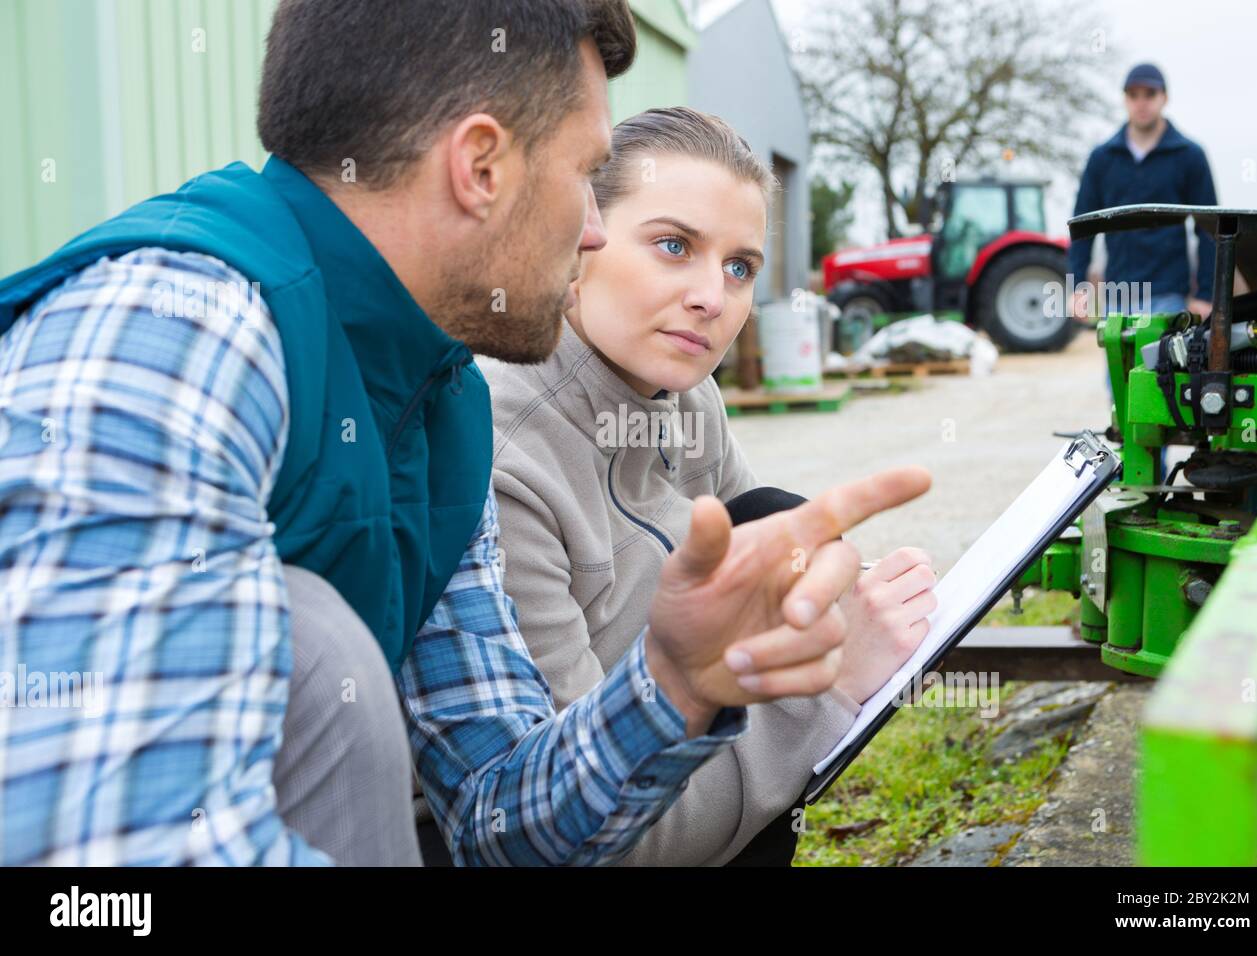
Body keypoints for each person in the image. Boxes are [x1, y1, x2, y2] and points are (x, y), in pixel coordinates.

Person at [0, 0, 931, 866]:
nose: (596, 232)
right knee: (324, 649)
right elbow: (98, 864)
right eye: (583, 175)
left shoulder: (437, 406)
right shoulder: (176, 337)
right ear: (481, 167)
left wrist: (679, 685)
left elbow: (498, 814)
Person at [479, 108, 938, 866]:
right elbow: (583, 836)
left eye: (740, 267)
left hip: (677, 751)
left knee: (776, 530)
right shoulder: (507, 457)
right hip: (573, 832)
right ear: (583, 233)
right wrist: (828, 691)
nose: (711, 298)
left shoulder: (689, 398)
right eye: (673, 245)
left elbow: (767, 575)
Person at [1069, 63, 1219, 325]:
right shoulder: (1102, 158)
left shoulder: (1189, 155)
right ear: (1124, 99)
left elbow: (1209, 228)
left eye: (1150, 94)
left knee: (1161, 365)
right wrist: (1077, 286)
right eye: (1133, 95)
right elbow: (1083, 225)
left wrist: (1206, 294)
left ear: (1164, 98)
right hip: (1118, 294)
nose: (1141, 103)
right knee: (1117, 367)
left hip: (1169, 293)